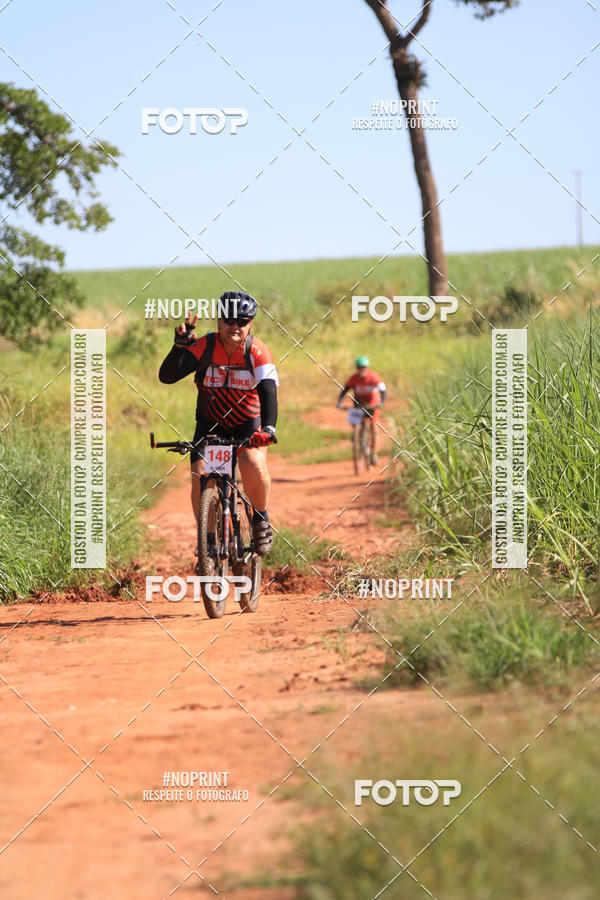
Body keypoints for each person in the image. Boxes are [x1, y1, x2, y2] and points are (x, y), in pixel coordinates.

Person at [158, 291, 278, 556]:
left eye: (242, 322)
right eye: (229, 320)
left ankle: (261, 518)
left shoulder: (258, 352)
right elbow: (167, 377)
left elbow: (269, 392)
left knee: (253, 463)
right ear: (218, 320)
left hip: (248, 424)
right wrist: (179, 348)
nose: (235, 326)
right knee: (200, 474)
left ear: (250, 324)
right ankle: (208, 542)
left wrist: (269, 428)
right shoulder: (205, 346)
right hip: (210, 424)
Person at [336, 356, 386, 463]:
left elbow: (383, 390)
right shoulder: (354, 378)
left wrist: (381, 403)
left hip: (372, 404)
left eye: (364, 367)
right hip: (358, 404)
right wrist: (339, 402)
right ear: (357, 368)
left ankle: (374, 454)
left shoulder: (374, 377)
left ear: (367, 368)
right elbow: (345, 390)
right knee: (354, 422)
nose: (362, 370)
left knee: (373, 427)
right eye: (359, 368)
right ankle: (357, 435)